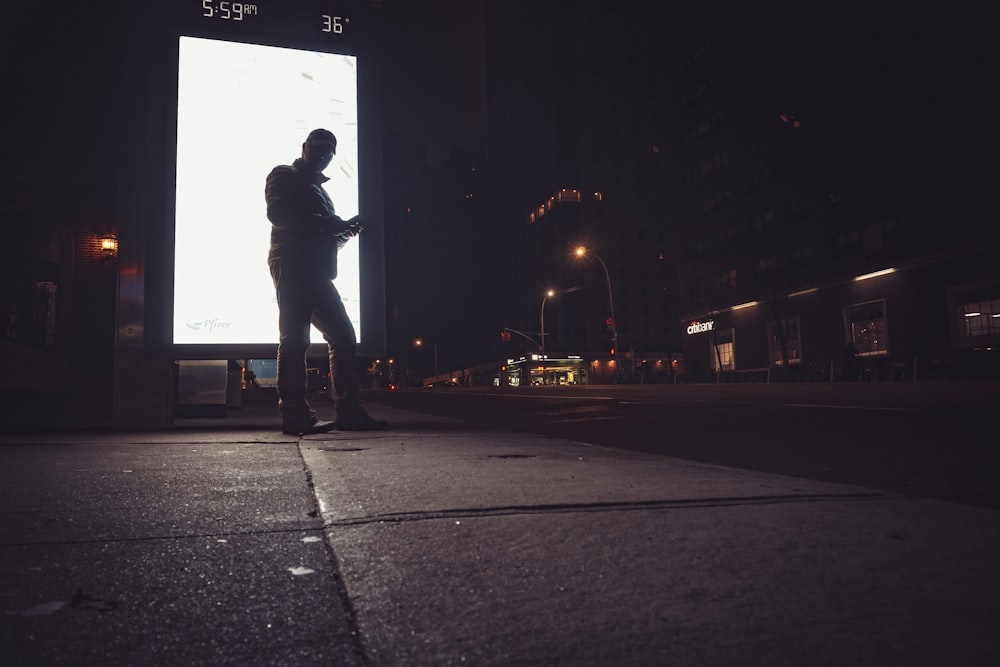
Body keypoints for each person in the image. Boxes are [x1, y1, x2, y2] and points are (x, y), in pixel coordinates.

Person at [265, 128, 388, 434]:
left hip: (313, 270)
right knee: (295, 338)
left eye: (329, 152)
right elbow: (278, 213)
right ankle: (295, 415)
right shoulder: (283, 174)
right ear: (304, 146)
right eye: (318, 148)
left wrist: (346, 230)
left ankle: (347, 411)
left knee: (343, 336)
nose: (323, 155)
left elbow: (325, 236)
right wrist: (329, 225)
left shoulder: (321, 191)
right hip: (292, 263)